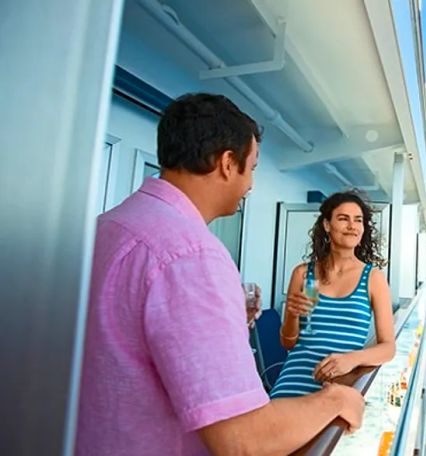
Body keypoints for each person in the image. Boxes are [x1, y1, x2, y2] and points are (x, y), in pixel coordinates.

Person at [76, 93, 364, 456]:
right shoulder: (192, 255)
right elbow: (243, 440)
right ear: (228, 163)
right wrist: (336, 400)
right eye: (253, 167)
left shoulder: (107, 227)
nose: (252, 185)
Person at [270, 191, 396, 398]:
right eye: (343, 218)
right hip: (294, 378)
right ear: (327, 225)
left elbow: (388, 348)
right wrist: (292, 314)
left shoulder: (373, 278)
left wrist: (351, 360)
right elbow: (289, 343)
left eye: (358, 220)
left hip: (338, 385)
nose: (352, 226)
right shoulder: (305, 275)